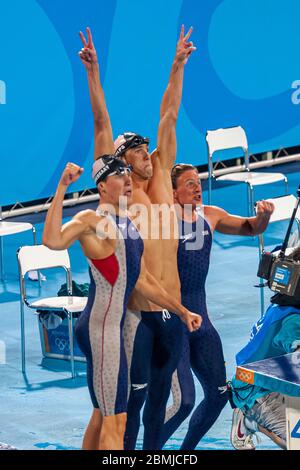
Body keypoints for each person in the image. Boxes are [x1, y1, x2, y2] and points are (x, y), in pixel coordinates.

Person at [78, 26, 197, 450]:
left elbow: (170, 111)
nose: (149, 155)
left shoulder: (164, 176)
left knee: (178, 401)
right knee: (123, 409)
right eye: (139, 153)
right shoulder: (122, 195)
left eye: (149, 151)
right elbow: (101, 123)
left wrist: (178, 63)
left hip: (174, 308)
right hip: (137, 314)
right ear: (124, 162)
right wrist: (92, 75)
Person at [42, 158, 201, 451]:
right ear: (101, 186)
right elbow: (52, 240)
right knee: (117, 419)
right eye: (118, 175)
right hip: (102, 332)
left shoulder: (126, 223)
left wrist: (181, 310)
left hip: (108, 329)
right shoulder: (92, 220)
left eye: (127, 173)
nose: (127, 179)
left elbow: (141, 280)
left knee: (103, 415)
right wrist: (63, 186)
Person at [159, 163, 275, 450]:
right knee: (184, 401)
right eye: (188, 184)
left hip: (201, 320)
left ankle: (185, 453)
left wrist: (263, 217)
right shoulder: (161, 223)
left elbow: (251, 229)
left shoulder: (210, 215)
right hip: (172, 321)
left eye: (197, 182)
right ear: (173, 193)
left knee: (218, 393)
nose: (196, 187)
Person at [229, 246, 300, 450]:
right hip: (258, 392)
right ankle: (250, 420)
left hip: (279, 382)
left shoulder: (284, 301)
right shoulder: (293, 321)